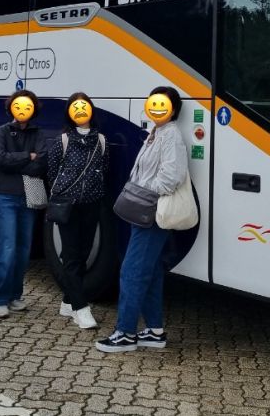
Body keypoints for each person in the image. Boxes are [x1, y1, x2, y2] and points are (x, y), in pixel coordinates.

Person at [97, 86, 187, 353]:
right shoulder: (156, 133)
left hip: (152, 212)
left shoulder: (170, 135)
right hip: (145, 211)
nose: (156, 108)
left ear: (173, 109)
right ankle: (154, 331)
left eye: (162, 104)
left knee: (132, 271)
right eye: (152, 103)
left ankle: (125, 333)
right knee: (151, 271)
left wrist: (145, 194)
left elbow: (172, 176)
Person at [46, 92, 109, 329]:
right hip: (67, 205)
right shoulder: (62, 140)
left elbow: (104, 168)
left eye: (84, 106)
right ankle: (81, 309)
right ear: (69, 113)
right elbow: (52, 172)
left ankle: (67, 301)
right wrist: (64, 192)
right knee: (72, 256)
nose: (80, 111)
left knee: (83, 254)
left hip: (92, 204)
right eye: (75, 107)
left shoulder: (101, 140)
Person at [0, 89, 47, 317]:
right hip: (5, 196)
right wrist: (27, 156)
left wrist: (19, 161)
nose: (22, 110)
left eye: (27, 106)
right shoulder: (0, 132)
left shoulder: (38, 133)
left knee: (23, 250)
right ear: (11, 108)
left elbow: (41, 163)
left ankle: (15, 296)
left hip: (28, 197)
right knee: (5, 249)